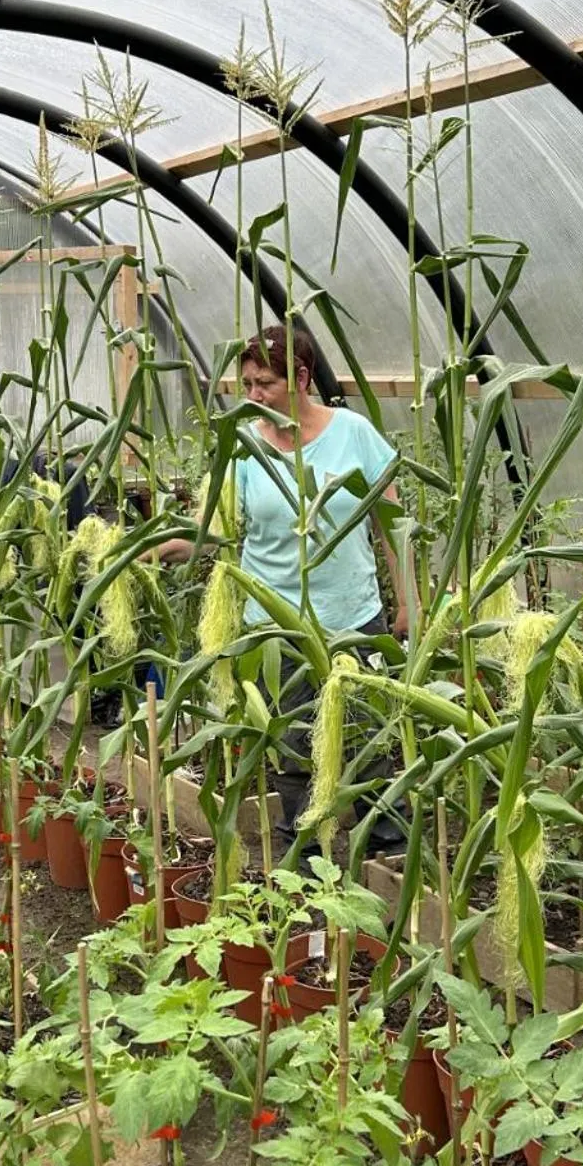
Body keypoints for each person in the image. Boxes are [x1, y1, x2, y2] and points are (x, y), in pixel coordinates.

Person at [161, 323, 409, 848]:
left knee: (371, 741)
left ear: (301, 377)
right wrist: (159, 547)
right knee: (294, 747)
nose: (252, 397)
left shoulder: (353, 432)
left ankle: (390, 852)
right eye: (246, 384)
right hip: (275, 628)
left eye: (264, 384)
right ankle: (304, 856)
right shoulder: (245, 445)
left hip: (354, 621)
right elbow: (218, 529)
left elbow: (393, 524)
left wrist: (410, 601)